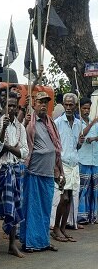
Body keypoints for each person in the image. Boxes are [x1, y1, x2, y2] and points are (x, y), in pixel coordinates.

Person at [21, 91, 63, 253]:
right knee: (32, 209)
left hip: (48, 172)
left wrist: (60, 171)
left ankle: (43, 241)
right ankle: (30, 242)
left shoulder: (50, 123)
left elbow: (56, 149)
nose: (43, 105)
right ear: (34, 105)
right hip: (33, 172)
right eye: (40, 102)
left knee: (45, 209)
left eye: (46, 102)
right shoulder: (30, 124)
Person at [0, 92, 27, 258]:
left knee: (14, 206)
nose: (11, 108)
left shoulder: (21, 128)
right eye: (9, 106)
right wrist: (4, 130)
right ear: (3, 107)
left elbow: (25, 152)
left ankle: (12, 244)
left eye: (14, 106)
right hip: (1, 170)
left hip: (16, 170)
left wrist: (9, 147)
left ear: (17, 108)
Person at [53, 93, 82, 242]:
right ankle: (56, 228)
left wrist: (80, 142)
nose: (69, 107)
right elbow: (55, 146)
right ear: (63, 105)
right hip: (62, 164)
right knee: (63, 198)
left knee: (69, 198)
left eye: (71, 105)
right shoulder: (57, 122)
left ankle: (63, 228)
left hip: (74, 164)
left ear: (75, 105)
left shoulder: (78, 123)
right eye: (66, 104)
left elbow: (76, 146)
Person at [77, 98, 98, 223]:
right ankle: (81, 217)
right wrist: (91, 124)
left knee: (94, 190)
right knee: (82, 190)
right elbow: (81, 136)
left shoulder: (94, 122)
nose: (86, 111)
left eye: (88, 109)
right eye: (84, 108)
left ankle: (93, 216)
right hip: (83, 160)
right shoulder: (77, 122)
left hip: (94, 160)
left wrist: (95, 138)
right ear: (80, 109)